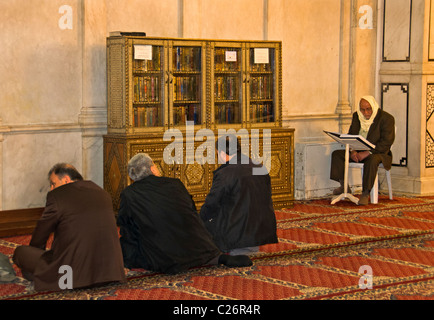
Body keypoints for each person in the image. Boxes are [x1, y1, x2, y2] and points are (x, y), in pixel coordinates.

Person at [116, 153, 252, 275]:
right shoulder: (175, 184)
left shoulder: (129, 194)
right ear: (152, 169)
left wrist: (126, 260)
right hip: (196, 246)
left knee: (132, 232)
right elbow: (191, 213)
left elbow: (126, 228)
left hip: (165, 258)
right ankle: (217, 257)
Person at [13, 163, 126, 292]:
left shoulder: (57, 196)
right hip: (108, 272)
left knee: (21, 253)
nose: (51, 188)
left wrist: (38, 254)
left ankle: (46, 277)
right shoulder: (102, 192)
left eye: (53, 183)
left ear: (66, 179)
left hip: (70, 274)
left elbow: (41, 234)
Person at [200, 134, 278, 255]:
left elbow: (211, 204)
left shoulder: (225, 173)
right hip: (260, 229)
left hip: (237, 231)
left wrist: (199, 221)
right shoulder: (259, 166)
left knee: (202, 224)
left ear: (221, 153)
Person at [330, 96, 395, 205]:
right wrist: (352, 151)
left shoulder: (386, 118)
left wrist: (367, 152)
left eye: (368, 109)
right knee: (337, 154)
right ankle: (344, 186)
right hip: (358, 151)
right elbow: (352, 135)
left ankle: (365, 193)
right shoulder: (357, 116)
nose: (365, 112)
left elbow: (386, 143)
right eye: (362, 109)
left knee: (372, 159)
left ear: (374, 107)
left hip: (378, 153)